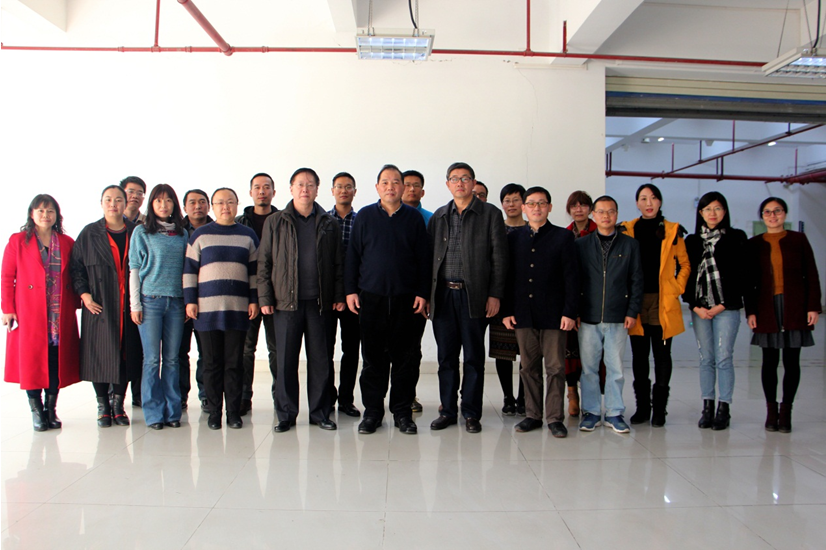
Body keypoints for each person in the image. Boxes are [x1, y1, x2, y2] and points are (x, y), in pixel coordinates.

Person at [345, 164, 431, 435]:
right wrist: (350, 291)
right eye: (385, 182)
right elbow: (353, 256)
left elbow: (424, 259)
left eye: (396, 182)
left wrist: (423, 293)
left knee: (407, 359)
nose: (391, 187)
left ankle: (402, 412)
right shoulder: (365, 216)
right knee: (373, 359)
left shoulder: (414, 219)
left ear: (403, 187)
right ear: (377, 187)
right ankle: (373, 412)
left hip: (408, 301)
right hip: (371, 299)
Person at [259, 168, 343, 433]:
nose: (305, 189)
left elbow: (338, 264)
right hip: (285, 304)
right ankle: (286, 414)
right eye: (300, 184)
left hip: (320, 304)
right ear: (291, 189)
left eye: (310, 184)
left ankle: (320, 413)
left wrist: (338, 296)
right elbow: (264, 262)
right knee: (285, 361)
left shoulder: (329, 223)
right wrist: (265, 297)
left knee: (321, 360)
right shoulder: (275, 222)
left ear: (317, 189)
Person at [429, 162, 507, 434]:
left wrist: (495, 294)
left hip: (474, 296)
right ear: (447, 184)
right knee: (446, 357)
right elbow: (428, 259)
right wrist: (427, 296)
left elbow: (499, 258)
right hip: (443, 296)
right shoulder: (439, 216)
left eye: (465, 178)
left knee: (473, 357)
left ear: (473, 183)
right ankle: (448, 411)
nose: (460, 183)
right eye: (454, 179)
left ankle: (472, 413)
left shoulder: (490, 214)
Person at [502, 187, 578, 437]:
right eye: (531, 203)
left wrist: (569, 312)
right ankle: (533, 415)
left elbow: (571, 277)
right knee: (528, 367)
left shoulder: (562, 237)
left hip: (554, 314)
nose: (536, 208)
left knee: (555, 368)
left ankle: (555, 418)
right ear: (524, 208)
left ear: (550, 207)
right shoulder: (513, 238)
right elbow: (507, 277)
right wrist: (507, 310)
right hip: (523, 313)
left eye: (542, 203)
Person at [2, 194, 80, 431]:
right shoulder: (18, 241)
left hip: (59, 311)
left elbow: (75, 274)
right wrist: (8, 309)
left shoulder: (66, 242)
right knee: (32, 362)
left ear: (57, 215)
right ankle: (36, 411)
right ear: (32, 214)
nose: (45, 215)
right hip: (29, 312)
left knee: (56, 360)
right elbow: (7, 277)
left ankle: (51, 409)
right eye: (41, 211)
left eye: (50, 211)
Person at [184, 188, 259, 430]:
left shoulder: (248, 235)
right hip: (207, 311)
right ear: (212, 207)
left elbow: (255, 272)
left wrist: (254, 299)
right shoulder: (200, 235)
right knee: (211, 363)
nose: (225, 207)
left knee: (234, 363)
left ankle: (233, 413)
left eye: (230, 202)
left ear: (237, 204)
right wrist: (190, 300)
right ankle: (214, 412)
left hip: (238, 310)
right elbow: (189, 270)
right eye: (220, 203)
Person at [746, 197, 820, 433]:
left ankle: (786, 411)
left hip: (794, 306)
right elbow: (749, 282)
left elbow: (812, 274)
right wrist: (751, 311)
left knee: (791, 361)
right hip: (766, 307)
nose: (773, 215)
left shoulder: (798, 240)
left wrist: (813, 306)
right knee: (769, 361)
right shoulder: (754, 244)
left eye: (777, 211)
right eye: (767, 212)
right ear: (762, 216)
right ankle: (771, 411)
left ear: (785, 214)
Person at [70, 185, 141, 427]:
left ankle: (118, 406)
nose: (113, 204)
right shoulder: (90, 233)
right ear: (101, 203)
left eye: (118, 199)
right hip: (98, 304)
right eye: (108, 199)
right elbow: (76, 268)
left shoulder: (136, 231)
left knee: (125, 354)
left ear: (125, 203)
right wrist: (84, 295)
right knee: (98, 355)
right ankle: (103, 406)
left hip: (130, 305)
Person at [620, 183, 690, 427]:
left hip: (662, 301)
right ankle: (642, 408)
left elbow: (685, 264)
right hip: (636, 302)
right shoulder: (627, 229)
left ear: (660, 202)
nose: (648, 203)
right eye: (643, 198)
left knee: (662, 355)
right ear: (637, 203)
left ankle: (660, 409)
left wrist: (676, 288)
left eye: (653, 198)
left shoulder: (673, 230)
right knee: (639, 356)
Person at [576, 195, 643, 434]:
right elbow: (574, 281)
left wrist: (632, 311)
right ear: (593, 215)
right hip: (588, 316)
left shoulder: (630, 245)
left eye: (611, 211)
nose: (606, 216)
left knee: (615, 369)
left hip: (618, 316)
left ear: (617, 214)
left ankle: (615, 413)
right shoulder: (581, 245)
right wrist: (575, 311)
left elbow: (636, 280)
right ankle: (591, 412)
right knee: (589, 369)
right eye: (601, 212)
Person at [684, 191, 747, 431]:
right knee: (706, 358)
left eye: (717, 208)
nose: (712, 213)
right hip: (700, 310)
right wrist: (695, 306)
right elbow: (686, 277)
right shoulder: (692, 241)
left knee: (724, 358)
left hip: (726, 308)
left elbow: (742, 275)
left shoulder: (736, 238)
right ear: (700, 213)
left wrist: (722, 305)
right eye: (707, 209)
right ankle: (707, 407)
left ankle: (724, 408)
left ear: (725, 211)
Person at [129, 184, 188, 430]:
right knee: (152, 360)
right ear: (151, 204)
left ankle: (173, 412)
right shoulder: (142, 232)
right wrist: (135, 304)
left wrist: (188, 301)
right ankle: (153, 413)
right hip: (150, 302)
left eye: (168, 200)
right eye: (158, 200)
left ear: (174, 204)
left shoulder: (183, 234)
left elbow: (188, 270)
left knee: (172, 359)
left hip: (176, 302)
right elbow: (134, 269)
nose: (163, 205)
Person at [236, 173, 279, 416]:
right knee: (245, 349)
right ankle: (244, 397)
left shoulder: (284, 220)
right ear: (250, 192)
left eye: (266, 187)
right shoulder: (240, 223)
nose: (262, 191)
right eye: (257, 187)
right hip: (248, 295)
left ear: (274, 191)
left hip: (277, 296)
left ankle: (280, 397)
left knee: (277, 349)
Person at [489, 183, 526, 416]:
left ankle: (523, 397)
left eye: (516, 200)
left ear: (524, 202)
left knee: (527, 352)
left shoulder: (532, 228)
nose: (511, 204)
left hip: (525, 299)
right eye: (507, 200)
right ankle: (507, 397)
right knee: (502, 351)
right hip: (500, 298)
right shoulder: (496, 229)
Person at [327, 171, 362, 418]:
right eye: (339, 187)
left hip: (354, 296)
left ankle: (346, 400)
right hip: (327, 296)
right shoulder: (322, 220)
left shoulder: (362, 221)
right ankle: (328, 398)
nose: (343, 191)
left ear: (354, 192)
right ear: (332, 191)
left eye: (348, 187)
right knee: (325, 350)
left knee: (351, 350)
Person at [563, 190, 598, 417]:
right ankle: (572, 394)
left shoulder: (599, 232)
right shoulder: (564, 235)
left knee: (591, 353)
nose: (579, 209)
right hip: (570, 300)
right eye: (574, 206)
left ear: (590, 209)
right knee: (569, 351)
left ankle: (591, 399)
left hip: (593, 301)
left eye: (583, 205)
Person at [401, 168, 432, 414]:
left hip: (417, 296)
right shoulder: (386, 216)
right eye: (407, 184)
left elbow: (433, 261)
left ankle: (408, 395)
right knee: (386, 349)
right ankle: (390, 396)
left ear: (423, 191)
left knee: (412, 349)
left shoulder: (432, 219)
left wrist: (427, 294)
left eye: (416, 185)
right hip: (389, 294)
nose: (411, 189)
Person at [179, 189, 213, 411]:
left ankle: (206, 395)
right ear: (184, 207)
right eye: (192, 202)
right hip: (181, 300)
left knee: (207, 353)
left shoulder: (216, 229)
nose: (197, 206)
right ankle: (180, 395)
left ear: (209, 206)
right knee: (179, 352)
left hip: (208, 301)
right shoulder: (175, 231)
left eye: (202, 202)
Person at [119, 175, 146, 405]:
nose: (135, 196)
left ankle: (139, 394)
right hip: (117, 294)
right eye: (130, 191)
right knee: (117, 345)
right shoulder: (110, 223)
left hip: (142, 294)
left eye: (139, 193)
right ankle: (115, 396)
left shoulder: (148, 224)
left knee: (140, 347)